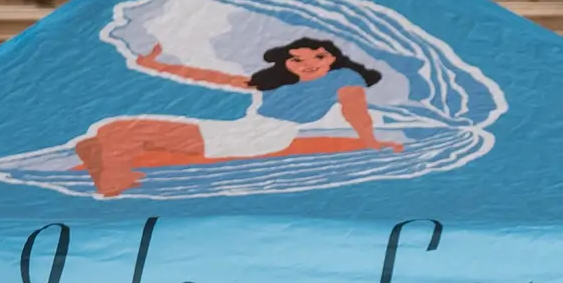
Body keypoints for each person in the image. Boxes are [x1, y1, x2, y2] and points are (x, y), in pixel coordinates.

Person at [75, 36, 401, 196]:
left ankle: (112, 179)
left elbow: (355, 112)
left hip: (264, 137)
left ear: (331, 56)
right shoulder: (274, 80)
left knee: (120, 130)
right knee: (108, 131)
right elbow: (213, 77)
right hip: (244, 130)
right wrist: (157, 65)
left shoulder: (344, 79)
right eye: (297, 60)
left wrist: (370, 142)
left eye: (317, 56)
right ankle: (107, 166)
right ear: (286, 64)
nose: (308, 64)